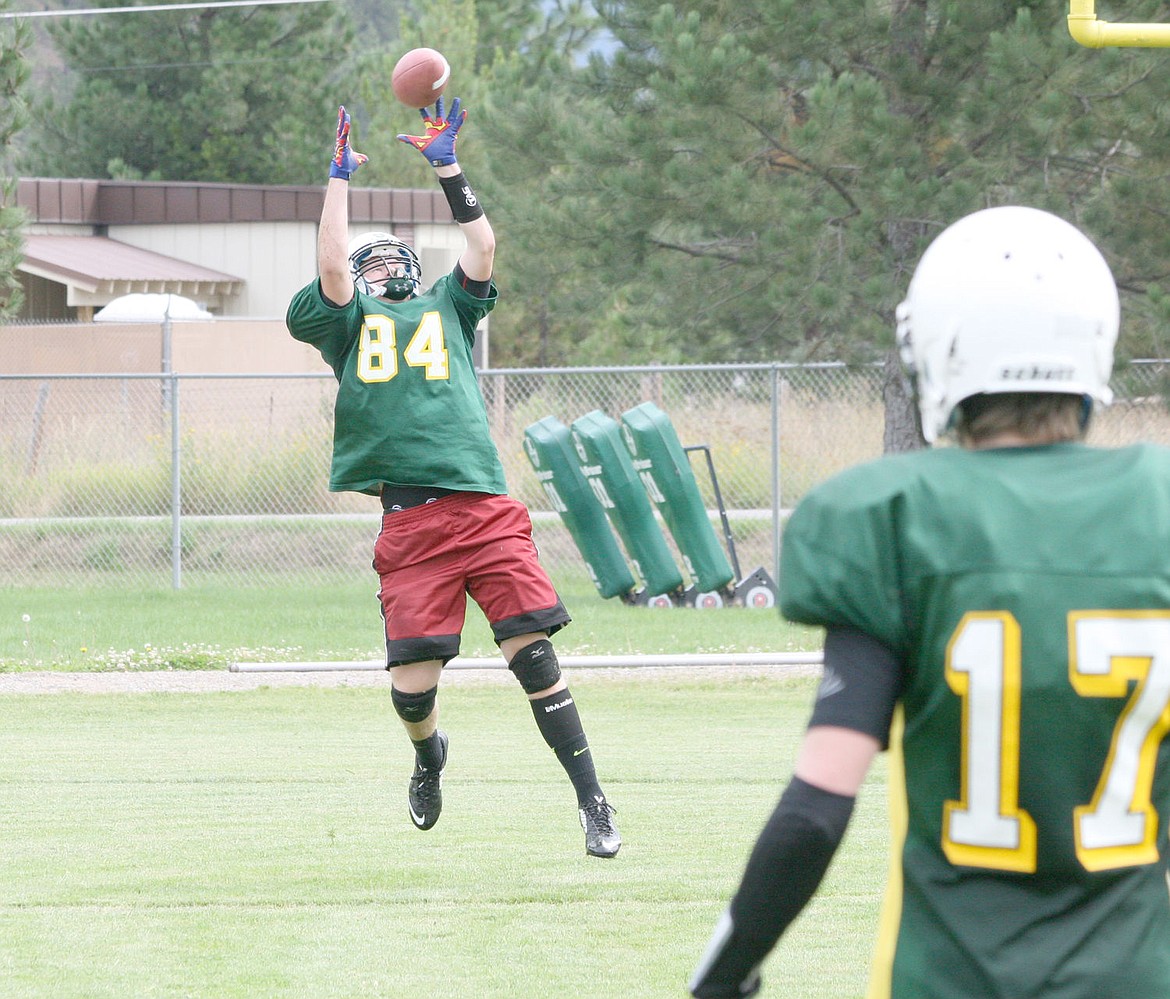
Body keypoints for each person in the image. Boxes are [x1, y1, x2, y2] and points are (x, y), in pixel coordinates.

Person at [690, 205, 1170, 997]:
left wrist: (724, 973)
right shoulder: (1155, 506)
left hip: (950, 976)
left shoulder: (895, 516)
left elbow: (818, 805)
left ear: (942, 350)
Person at [285, 101, 620, 859]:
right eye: (371, 265)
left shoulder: (449, 307)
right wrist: (337, 178)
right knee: (412, 686)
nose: (381, 270)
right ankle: (428, 753)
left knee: (533, 655)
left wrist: (448, 166)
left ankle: (592, 799)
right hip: (411, 522)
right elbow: (334, 267)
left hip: (485, 509)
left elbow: (483, 242)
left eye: (391, 260)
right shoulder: (346, 323)